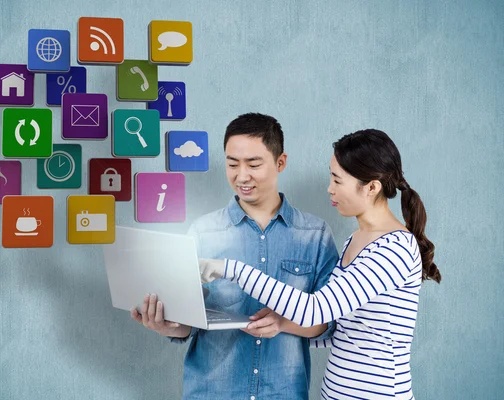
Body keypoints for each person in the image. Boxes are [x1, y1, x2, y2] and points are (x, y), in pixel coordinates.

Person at [199, 129, 442, 399]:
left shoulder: (394, 249)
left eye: (338, 180)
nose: (330, 188)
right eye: (331, 176)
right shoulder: (356, 240)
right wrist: (281, 323)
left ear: (372, 187)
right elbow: (339, 327)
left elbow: (315, 310)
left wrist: (231, 269)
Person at [130, 113, 340, 399]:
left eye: (253, 164)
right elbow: (188, 324)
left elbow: (329, 324)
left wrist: (282, 323)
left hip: (283, 393)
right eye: (232, 164)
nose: (242, 176)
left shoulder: (314, 235)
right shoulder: (202, 232)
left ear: (281, 162)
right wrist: (166, 324)